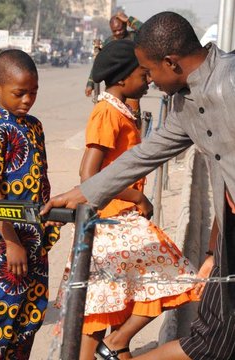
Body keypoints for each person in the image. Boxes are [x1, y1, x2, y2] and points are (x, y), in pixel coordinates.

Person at [41, 11, 235, 360]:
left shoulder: (231, 80)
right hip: (230, 233)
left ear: (171, 62)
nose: (151, 82)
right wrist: (82, 194)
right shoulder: (182, 103)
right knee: (212, 341)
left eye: (151, 71)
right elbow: (147, 154)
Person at [55, 39, 198, 360]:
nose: (149, 80)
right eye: (142, 74)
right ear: (121, 79)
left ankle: (117, 343)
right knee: (114, 301)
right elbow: (88, 174)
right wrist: (136, 194)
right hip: (111, 221)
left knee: (122, 297)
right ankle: (116, 343)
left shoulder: (122, 108)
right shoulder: (106, 112)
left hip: (124, 219)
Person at [0, 49, 60, 359]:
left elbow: (38, 181)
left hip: (34, 240)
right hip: (3, 246)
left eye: (33, 93)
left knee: (29, 319)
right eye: (20, 93)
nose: (27, 100)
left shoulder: (34, 126)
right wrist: (11, 241)